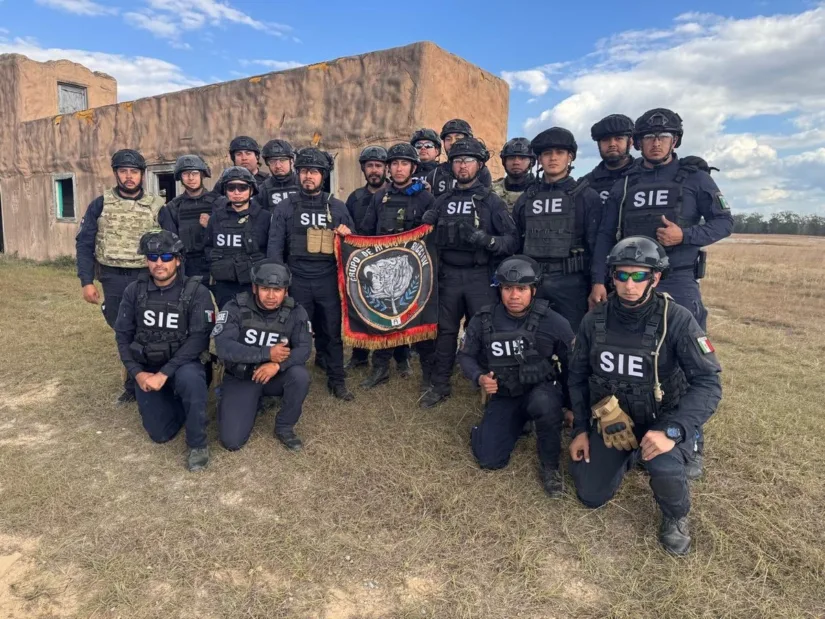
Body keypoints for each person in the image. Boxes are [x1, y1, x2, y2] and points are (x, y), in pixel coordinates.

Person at [567, 236, 722, 555]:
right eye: (622, 275)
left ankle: (675, 515)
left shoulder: (676, 319)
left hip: (661, 420)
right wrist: (580, 429)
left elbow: (708, 383)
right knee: (590, 494)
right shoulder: (594, 320)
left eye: (639, 275)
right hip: (614, 420)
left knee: (664, 468)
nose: (629, 284)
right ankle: (629, 454)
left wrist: (673, 430)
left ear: (656, 277)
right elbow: (578, 377)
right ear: (612, 277)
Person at [589, 108, 734, 331]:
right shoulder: (624, 184)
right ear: (638, 143)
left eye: (663, 137)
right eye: (649, 137)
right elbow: (606, 235)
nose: (656, 143)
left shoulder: (696, 178)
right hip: (631, 281)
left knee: (685, 340)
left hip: (678, 279)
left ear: (674, 141)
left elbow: (724, 223)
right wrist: (598, 280)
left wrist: (684, 235)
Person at [458, 255, 574, 496]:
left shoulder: (554, 322)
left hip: (541, 392)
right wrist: (480, 378)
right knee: (489, 459)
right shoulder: (483, 319)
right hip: (506, 394)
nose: (514, 296)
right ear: (499, 289)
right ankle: (513, 425)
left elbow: (573, 367)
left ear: (533, 290)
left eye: (521, 289)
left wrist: (572, 408)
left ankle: (550, 467)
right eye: (507, 288)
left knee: (544, 403)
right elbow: (466, 356)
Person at [419, 137, 518, 408]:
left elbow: (512, 241)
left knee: (485, 332)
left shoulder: (491, 202)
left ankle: (489, 385)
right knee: (445, 332)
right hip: (448, 276)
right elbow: (423, 235)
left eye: (469, 161)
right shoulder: (441, 201)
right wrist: (425, 224)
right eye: (458, 161)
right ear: (451, 165)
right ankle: (440, 384)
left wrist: (487, 240)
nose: (463, 166)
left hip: (479, 277)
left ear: (480, 165)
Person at [114, 231, 214, 471]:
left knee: (191, 379)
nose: (159, 263)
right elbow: (123, 336)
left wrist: (164, 374)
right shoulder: (133, 291)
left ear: (178, 260)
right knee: (160, 434)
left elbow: (198, 340)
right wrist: (137, 374)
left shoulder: (197, 292)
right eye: (153, 257)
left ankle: (198, 444)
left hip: (184, 364)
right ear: (146, 260)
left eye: (166, 257)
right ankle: (180, 405)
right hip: (148, 366)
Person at [75, 148, 165, 404]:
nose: (129, 176)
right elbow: (85, 243)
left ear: (142, 175)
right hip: (112, 277)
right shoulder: (100, 204)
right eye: (123, 171)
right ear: (115, 173)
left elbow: (171, 242)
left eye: (134, 172)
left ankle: (155, 378)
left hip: (147, 276)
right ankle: (132, 384)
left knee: (151, 327)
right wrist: (86, 281)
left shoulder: (157, 205)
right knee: (122, 329)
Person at [267, 147, 356, 400]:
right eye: (304, 171)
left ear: (323, 176)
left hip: (327, 280)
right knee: (291, 332)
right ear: (298, 174)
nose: (308, 176)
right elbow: (275, 248)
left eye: (314, 172)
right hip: (296, 280)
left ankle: (337, 380)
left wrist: (346, 235)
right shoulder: (285, 208)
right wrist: (279, 284)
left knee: (331, 332)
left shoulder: (337, 207)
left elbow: (354, 246)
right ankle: (287, 380)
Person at [358, 142, 436, 390]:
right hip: (385, 270)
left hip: (416, 271)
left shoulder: (426, 197)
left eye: (404, 163)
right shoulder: (380, 197)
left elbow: (434, 236)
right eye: (394, 164)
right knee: (385, 321)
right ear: (388, 168)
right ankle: (380, 369)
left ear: (413, 167)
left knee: (419, 320)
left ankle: (428, 374)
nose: (399, 168)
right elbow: (366, 232)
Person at [213, 261, 312, 451]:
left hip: (275, 375)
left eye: (278, 290)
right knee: (231, 442)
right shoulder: (235, 307)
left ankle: (284, 427)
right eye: (265, 289)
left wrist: (277, 365)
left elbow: (304, 349)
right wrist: (266, 353)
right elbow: (224, 347)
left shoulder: (296, 312)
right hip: (242, 376)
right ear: (254, 288)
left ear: (286, 291)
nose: (271, 296)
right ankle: (245, 402)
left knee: (300, 376)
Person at [512, 127, 602, 333]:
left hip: (572, 283)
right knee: (529, 339)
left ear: (570, 157)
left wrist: (598, 283)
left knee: (571, 340)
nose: (553, 158)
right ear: (539, 159)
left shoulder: (586, 196)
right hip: (532, 281)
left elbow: (596, 245)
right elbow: (516, 241)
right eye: (547, 153)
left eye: (560, 152)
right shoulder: (526, 198)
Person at [343, 146, 389, 370]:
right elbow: (348, 228)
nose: (374, 170)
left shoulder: (396, 194)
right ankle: (359, 355)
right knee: (359, 307)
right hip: (361, 262)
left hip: (389, 262)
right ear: (363, 169)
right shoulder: (355, 198)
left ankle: (400, 358)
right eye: (370, 166)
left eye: (378, 166)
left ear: (385, 168)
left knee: (392, 310)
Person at [204, 166, 270, 308]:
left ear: (251, 190)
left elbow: (272, 251)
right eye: (231, 188)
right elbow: (208, 247)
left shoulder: (264, 217)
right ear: (225, 191)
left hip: (253, 283)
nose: (236, 192)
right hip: (224, 284)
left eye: (242, 188)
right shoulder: (216, 218)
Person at [158, 154, 223, 279]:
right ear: (180, 177)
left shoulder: (219, 202)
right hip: (187, 266)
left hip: (214, 263)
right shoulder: (173, 207)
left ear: (202, 175)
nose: (191, 178)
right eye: (186, 174)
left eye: (195, 173)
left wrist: (211, 225)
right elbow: (170, 241)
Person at [426, 119, 493, 197]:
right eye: (448, 139)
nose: (452, 142)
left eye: (458, 138)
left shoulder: (481, 172)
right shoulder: (435, 174)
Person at [578, 114, 636, 204]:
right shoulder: (584, 185)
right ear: (599, 144)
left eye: (618, 138)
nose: (612, 144)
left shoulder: (645, 176)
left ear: (630, 142)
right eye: (605, 139)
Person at [491, 137, 537, 213]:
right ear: (504, 162)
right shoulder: (491, 191)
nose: (516, 162)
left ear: (531, 162)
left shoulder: (541, 190)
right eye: (511, 158)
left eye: (522, 158)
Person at [256, 139, 299, 211]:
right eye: (272, 161)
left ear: (291, 161)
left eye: (282, 160)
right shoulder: (262, 190)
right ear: (267, 163)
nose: (278, 166)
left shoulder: (304, 185)